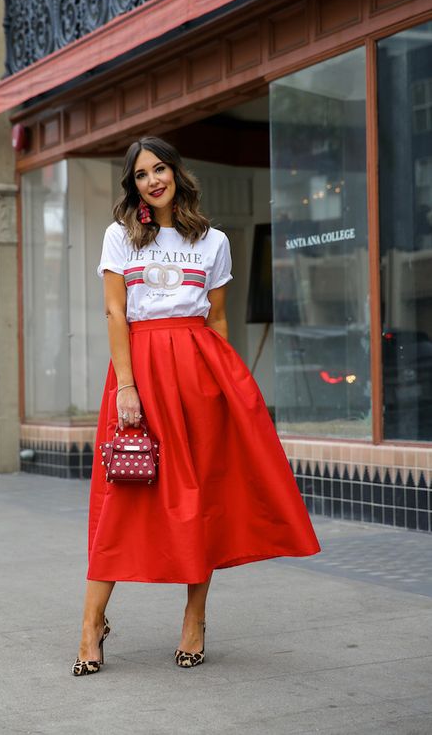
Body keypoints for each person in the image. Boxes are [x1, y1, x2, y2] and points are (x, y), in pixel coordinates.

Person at [72, 136, 321, 676]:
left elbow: (218, 321)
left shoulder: (213, 241)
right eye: (141, 174)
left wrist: (230, 387)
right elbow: (116, 314)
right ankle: (92, 623)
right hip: (141, 372)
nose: (152, 180)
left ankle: (195, 619)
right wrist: (126, 388)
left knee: (201, 495)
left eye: (160, 168)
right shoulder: (121, 236)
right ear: (131, 185)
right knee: (122, 495)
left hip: (201, 374)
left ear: (178, 173)